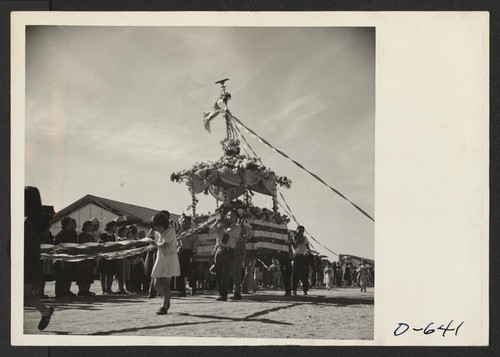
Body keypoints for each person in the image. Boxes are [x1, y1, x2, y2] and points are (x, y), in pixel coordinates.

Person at [24, 186, 54, 330]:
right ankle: (45, 311)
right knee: (24, 294)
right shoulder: (39, 220)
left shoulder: (30, 221)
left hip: (26, 260)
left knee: (24, 294)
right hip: (30, 259)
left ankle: (45, 311)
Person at [150, 211, 180, 315]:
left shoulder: (171, 231)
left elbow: (164, 245)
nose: (156, 229)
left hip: (170, 258)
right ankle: (167, 298)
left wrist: (154, 243)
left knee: (165, 283)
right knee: (156, 284)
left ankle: (164, 306)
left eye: (158, 226)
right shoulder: (157, 232)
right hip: (160, 257)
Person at [212, 209, 241, 301]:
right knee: (218, 272)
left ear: (236, 218)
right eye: (228, 215)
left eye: (232, 216)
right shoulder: (222, 225)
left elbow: (227, 235)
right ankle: (220, 292)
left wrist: (223, 226)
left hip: (229, 250)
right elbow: (212, 231)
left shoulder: (237, 227)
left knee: (226, 273)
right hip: (219, 249)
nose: (230, 217)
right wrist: (216, 222)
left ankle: (224, 294)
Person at [54, 216, 78, 297]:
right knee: (61, 275)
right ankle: (60, 292)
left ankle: (67, 290)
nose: (72, 224)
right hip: (63, 257)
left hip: (70, 257)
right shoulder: (60, 235)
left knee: (69, 275)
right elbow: (57, 247)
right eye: (70, 222)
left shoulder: (72, 234)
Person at [176, 215, 199, 297]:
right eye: (183, 221)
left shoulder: (193, 232)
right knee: (180, 272)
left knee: (190, 272)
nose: (184, 223)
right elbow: (177, 241)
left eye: (186, 221)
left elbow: (195, 244)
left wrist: (194, 254)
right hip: (180, 252)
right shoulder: (179, 231)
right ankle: (181, 291)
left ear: (190, 223)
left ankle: (193, 287)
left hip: (189, 252)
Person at [229, 218, 248, 300]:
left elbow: (246, 238)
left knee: (236, 271)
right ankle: (233, 290)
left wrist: (243, 229)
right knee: (233, 271)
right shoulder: (231, 228)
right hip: (232, 249)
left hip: (239, 250)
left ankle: (237, 292)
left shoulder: (240, 228)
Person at [76, 221, 96, 296]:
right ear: (87, 226)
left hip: (90, 258)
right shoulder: (81, 236)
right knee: (82, 274)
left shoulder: (91, 236)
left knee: (89, 274)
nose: (92, 227)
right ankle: (81, 290)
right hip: (83, 258)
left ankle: (87, 290)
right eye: (91, 226)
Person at [290, 225, 311, 296]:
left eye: (301, 231)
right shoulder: (293, 238)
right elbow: (293, 246)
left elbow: (308, 248)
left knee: (304, 274)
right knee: (295, 274)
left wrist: (307, 252)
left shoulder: (304, 238)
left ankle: (305, 290)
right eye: (299, 230)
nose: (300, 232)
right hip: (296, 256)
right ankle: (294, 289)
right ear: (296, 230)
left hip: (303, 257)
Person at [98, 221, 118, 294]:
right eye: (115, 227)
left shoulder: (114, 236)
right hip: (104, 256)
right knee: (103, 273)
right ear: (111, 227)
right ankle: (104, 289)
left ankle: (109, 288)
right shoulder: (103, 235)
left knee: (110, 273)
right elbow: (101, 244)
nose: (116, 228)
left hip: (111, 256)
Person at [115, 226, 131, 294]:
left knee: (124, 274)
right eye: (125, 231)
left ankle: (123, 288)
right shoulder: (119, 239)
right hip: (120, 258)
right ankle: (120, 287)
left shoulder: (126, 239)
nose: (126, 232)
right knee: (120, 274)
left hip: (125, 258)